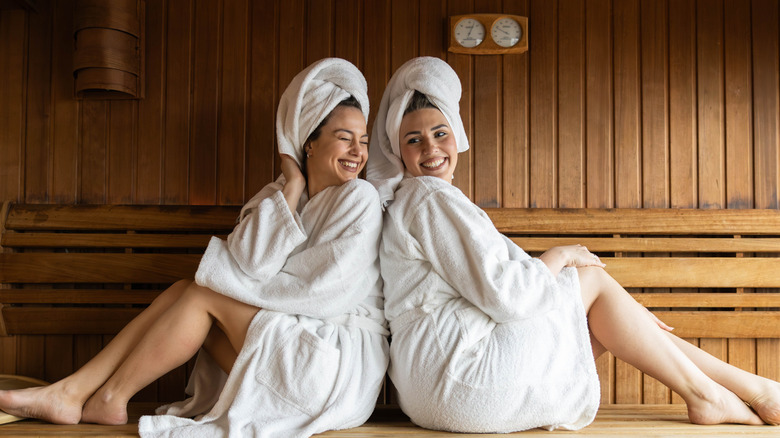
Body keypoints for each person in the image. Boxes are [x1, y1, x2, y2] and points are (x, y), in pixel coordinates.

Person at [366, 56, 780, 433]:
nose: (431, 148)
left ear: (456, 133)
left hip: (435, 386)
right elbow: (508, 295)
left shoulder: (422, 203)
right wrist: (560, 255)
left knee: (597, 313)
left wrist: (626, 313)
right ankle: (716, 394)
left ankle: (748, 389)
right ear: (399, 151)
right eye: (413, 140)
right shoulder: (428, 199)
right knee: (592, 281)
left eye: (440, 133)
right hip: (462, 377)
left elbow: (504, 285)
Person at [0, 58, 389, 438]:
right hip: (292, 356)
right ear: (309, 143)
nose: (358, 151)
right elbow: (249, 265)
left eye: (364, 140)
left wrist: (226, 285)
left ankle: (98, 394)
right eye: (344, 138)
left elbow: (320, 295)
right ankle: (80, 393)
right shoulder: (279, 197)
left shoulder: (360, 199)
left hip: (335, 370)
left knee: (202, 293)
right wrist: (291, 186)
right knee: (186, 292)